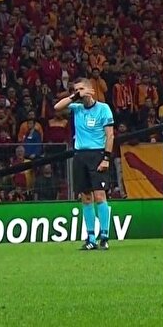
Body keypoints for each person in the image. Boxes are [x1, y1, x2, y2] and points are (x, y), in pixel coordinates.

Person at [54, 78, 115, 250]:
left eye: (81, 89)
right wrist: (74, 96)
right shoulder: (77, 107)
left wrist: (106, 158)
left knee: (100, 196)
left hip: (97, 154)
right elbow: (57, 107)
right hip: (80, 155)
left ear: (90, 89)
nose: (78, 92)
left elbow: (110, 135)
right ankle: (90, 238)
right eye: (75, 90)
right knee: (86, 197)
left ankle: (104, 236)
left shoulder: (103, 108)